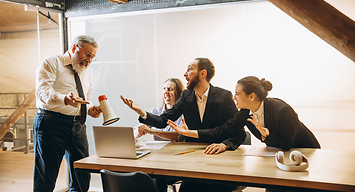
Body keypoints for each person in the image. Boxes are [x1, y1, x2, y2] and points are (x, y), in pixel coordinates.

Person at [121, 57, 246, 192]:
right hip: (193, 161)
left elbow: (239, 132)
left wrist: (225, 145)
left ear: (202, 73)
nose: (185, 74)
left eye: (189, 69)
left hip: (219, 161)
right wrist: (142, 113)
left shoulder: (224, 96)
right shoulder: (186, 96)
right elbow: (163, 121)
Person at [168, 76, 321, 154]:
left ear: (251, 96)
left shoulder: (282, 110)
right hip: (280, 154)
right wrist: (189, 133)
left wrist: (266, 135)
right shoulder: (245, 113)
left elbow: (287, 144)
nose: (233, 97)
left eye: (237, 93)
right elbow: (223, 130)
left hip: (306, 151)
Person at [33, 35, 102, 192]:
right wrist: (64, 99)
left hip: (78, 126)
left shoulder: (87, 72)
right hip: (51, 124)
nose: (89, 60)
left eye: (93, 57)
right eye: (87, 54)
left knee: (82, 175)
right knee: (46, 177)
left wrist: (91, 108)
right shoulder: (51, 62)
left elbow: (86, 98)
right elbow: (42, 92)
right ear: (74, 48)